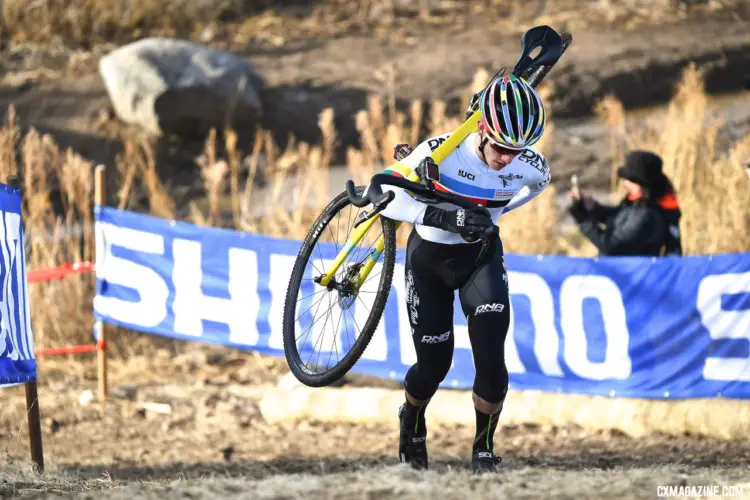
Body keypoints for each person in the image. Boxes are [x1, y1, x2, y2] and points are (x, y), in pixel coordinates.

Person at [372, 74, 551, 474]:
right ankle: (412, 420)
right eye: (503, 147)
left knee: (491, 358)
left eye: (518, 150)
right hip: (429, 263)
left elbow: (535, 186)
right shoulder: (443, 150)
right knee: (435, 366)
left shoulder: (531, 166)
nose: (508, 159)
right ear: (483, 127)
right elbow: (382, 196)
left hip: (480, 260)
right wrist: (441, 214)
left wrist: (493, 216)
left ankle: (483, 450)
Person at [568, 150, 683, 257]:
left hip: (634, 276)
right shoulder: (637, 205)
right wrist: (591, 207)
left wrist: (583, 220)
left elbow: (611, 246)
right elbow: (618, 216)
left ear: (640, 184)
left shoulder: (648, 216)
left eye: (628, 179)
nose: (625, 183)